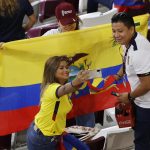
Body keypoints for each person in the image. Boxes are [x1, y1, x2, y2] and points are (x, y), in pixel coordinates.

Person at [43, 2, 95, 128]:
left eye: (71, 23)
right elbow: (28, 47)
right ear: (58, 22)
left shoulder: (85, 35)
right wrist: (8, 47)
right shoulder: (50, 36)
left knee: (87, 123)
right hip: (60, 88)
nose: (69, 26)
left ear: (76, 18)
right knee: (60, 123)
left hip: (82, 86)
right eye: (65, 24)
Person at [26, 55, 90, 150]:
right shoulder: (52, 88)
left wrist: (81, 79)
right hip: (43, 138)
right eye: (61, 68)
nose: (66, 70)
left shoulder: (63, 86)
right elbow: (64, 89)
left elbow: (70, 88)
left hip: (56, 133)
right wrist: (76, 81)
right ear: (52, 71)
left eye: (67, 67)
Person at [111, 12, 150, 150]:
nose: (116, 35)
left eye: (120, 31)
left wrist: (128, 96)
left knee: (142, 142)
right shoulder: (127, 42)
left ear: (131, 29)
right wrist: (117, 76)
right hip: (140, 101)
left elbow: (147, 84)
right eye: (114, 31)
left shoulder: (139, 52)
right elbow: (126, 59)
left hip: (146, 105)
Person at [0, 0, 36, 149]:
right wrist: (23, 30)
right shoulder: (22, 1)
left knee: (5, 95)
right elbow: (33, 19)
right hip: (20, 49)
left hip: (2, 52)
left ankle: (5, 141)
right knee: (22, 90)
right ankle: (25, 132)